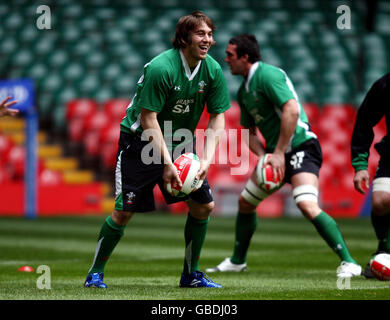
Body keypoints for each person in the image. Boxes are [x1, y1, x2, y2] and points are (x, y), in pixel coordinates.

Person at [84, 11, 230, 288]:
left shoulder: (212, 70)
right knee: (123, 212)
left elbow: (218, 115)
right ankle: (95, 274)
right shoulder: (162, 68)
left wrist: (206, 160)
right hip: (140, 142)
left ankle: (190, 275)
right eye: (201, 33)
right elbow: (149, 118)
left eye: (210, 34)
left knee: (203, 206)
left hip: (182, 142)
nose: (208, 39)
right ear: (185, 38)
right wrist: (167, 163)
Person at [206, 34, 361, 278]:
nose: (226, 60)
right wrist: (264, 156)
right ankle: (237, 261)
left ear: (246, 57)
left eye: (230, 55)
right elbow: (248, 132)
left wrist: (278, 153)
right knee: (246, 202)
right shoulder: (243, 90)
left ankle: (349, 262)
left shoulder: (268, 75)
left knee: (306, 204)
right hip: (276, 155)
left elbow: (291, 109)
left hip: (301, 147)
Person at [351, 72, 390, 278]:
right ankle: (384, 249)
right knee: (381, 201)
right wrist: (360, 165)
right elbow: (364, 120)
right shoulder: (385, 84)